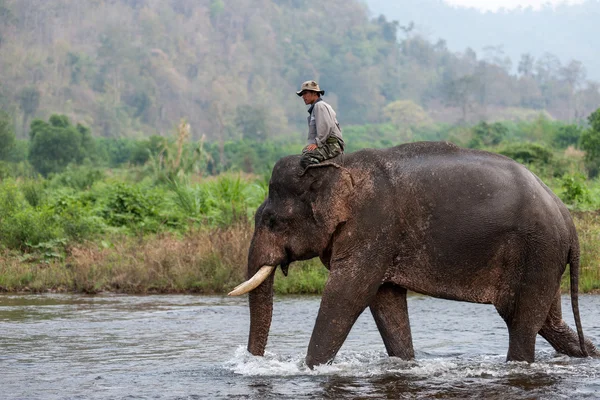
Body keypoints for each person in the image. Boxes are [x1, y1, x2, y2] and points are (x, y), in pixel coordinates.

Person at [296, 80, 345, 170]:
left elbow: (326, 126)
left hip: (332, 144)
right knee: (306, 151)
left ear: (314, 93)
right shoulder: (319, 106)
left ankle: (319, 181)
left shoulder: (319, 106)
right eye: (302, 94)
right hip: (329, 143)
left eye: (305, 93)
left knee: (306, 159)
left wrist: (317, 143)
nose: (303, 97)